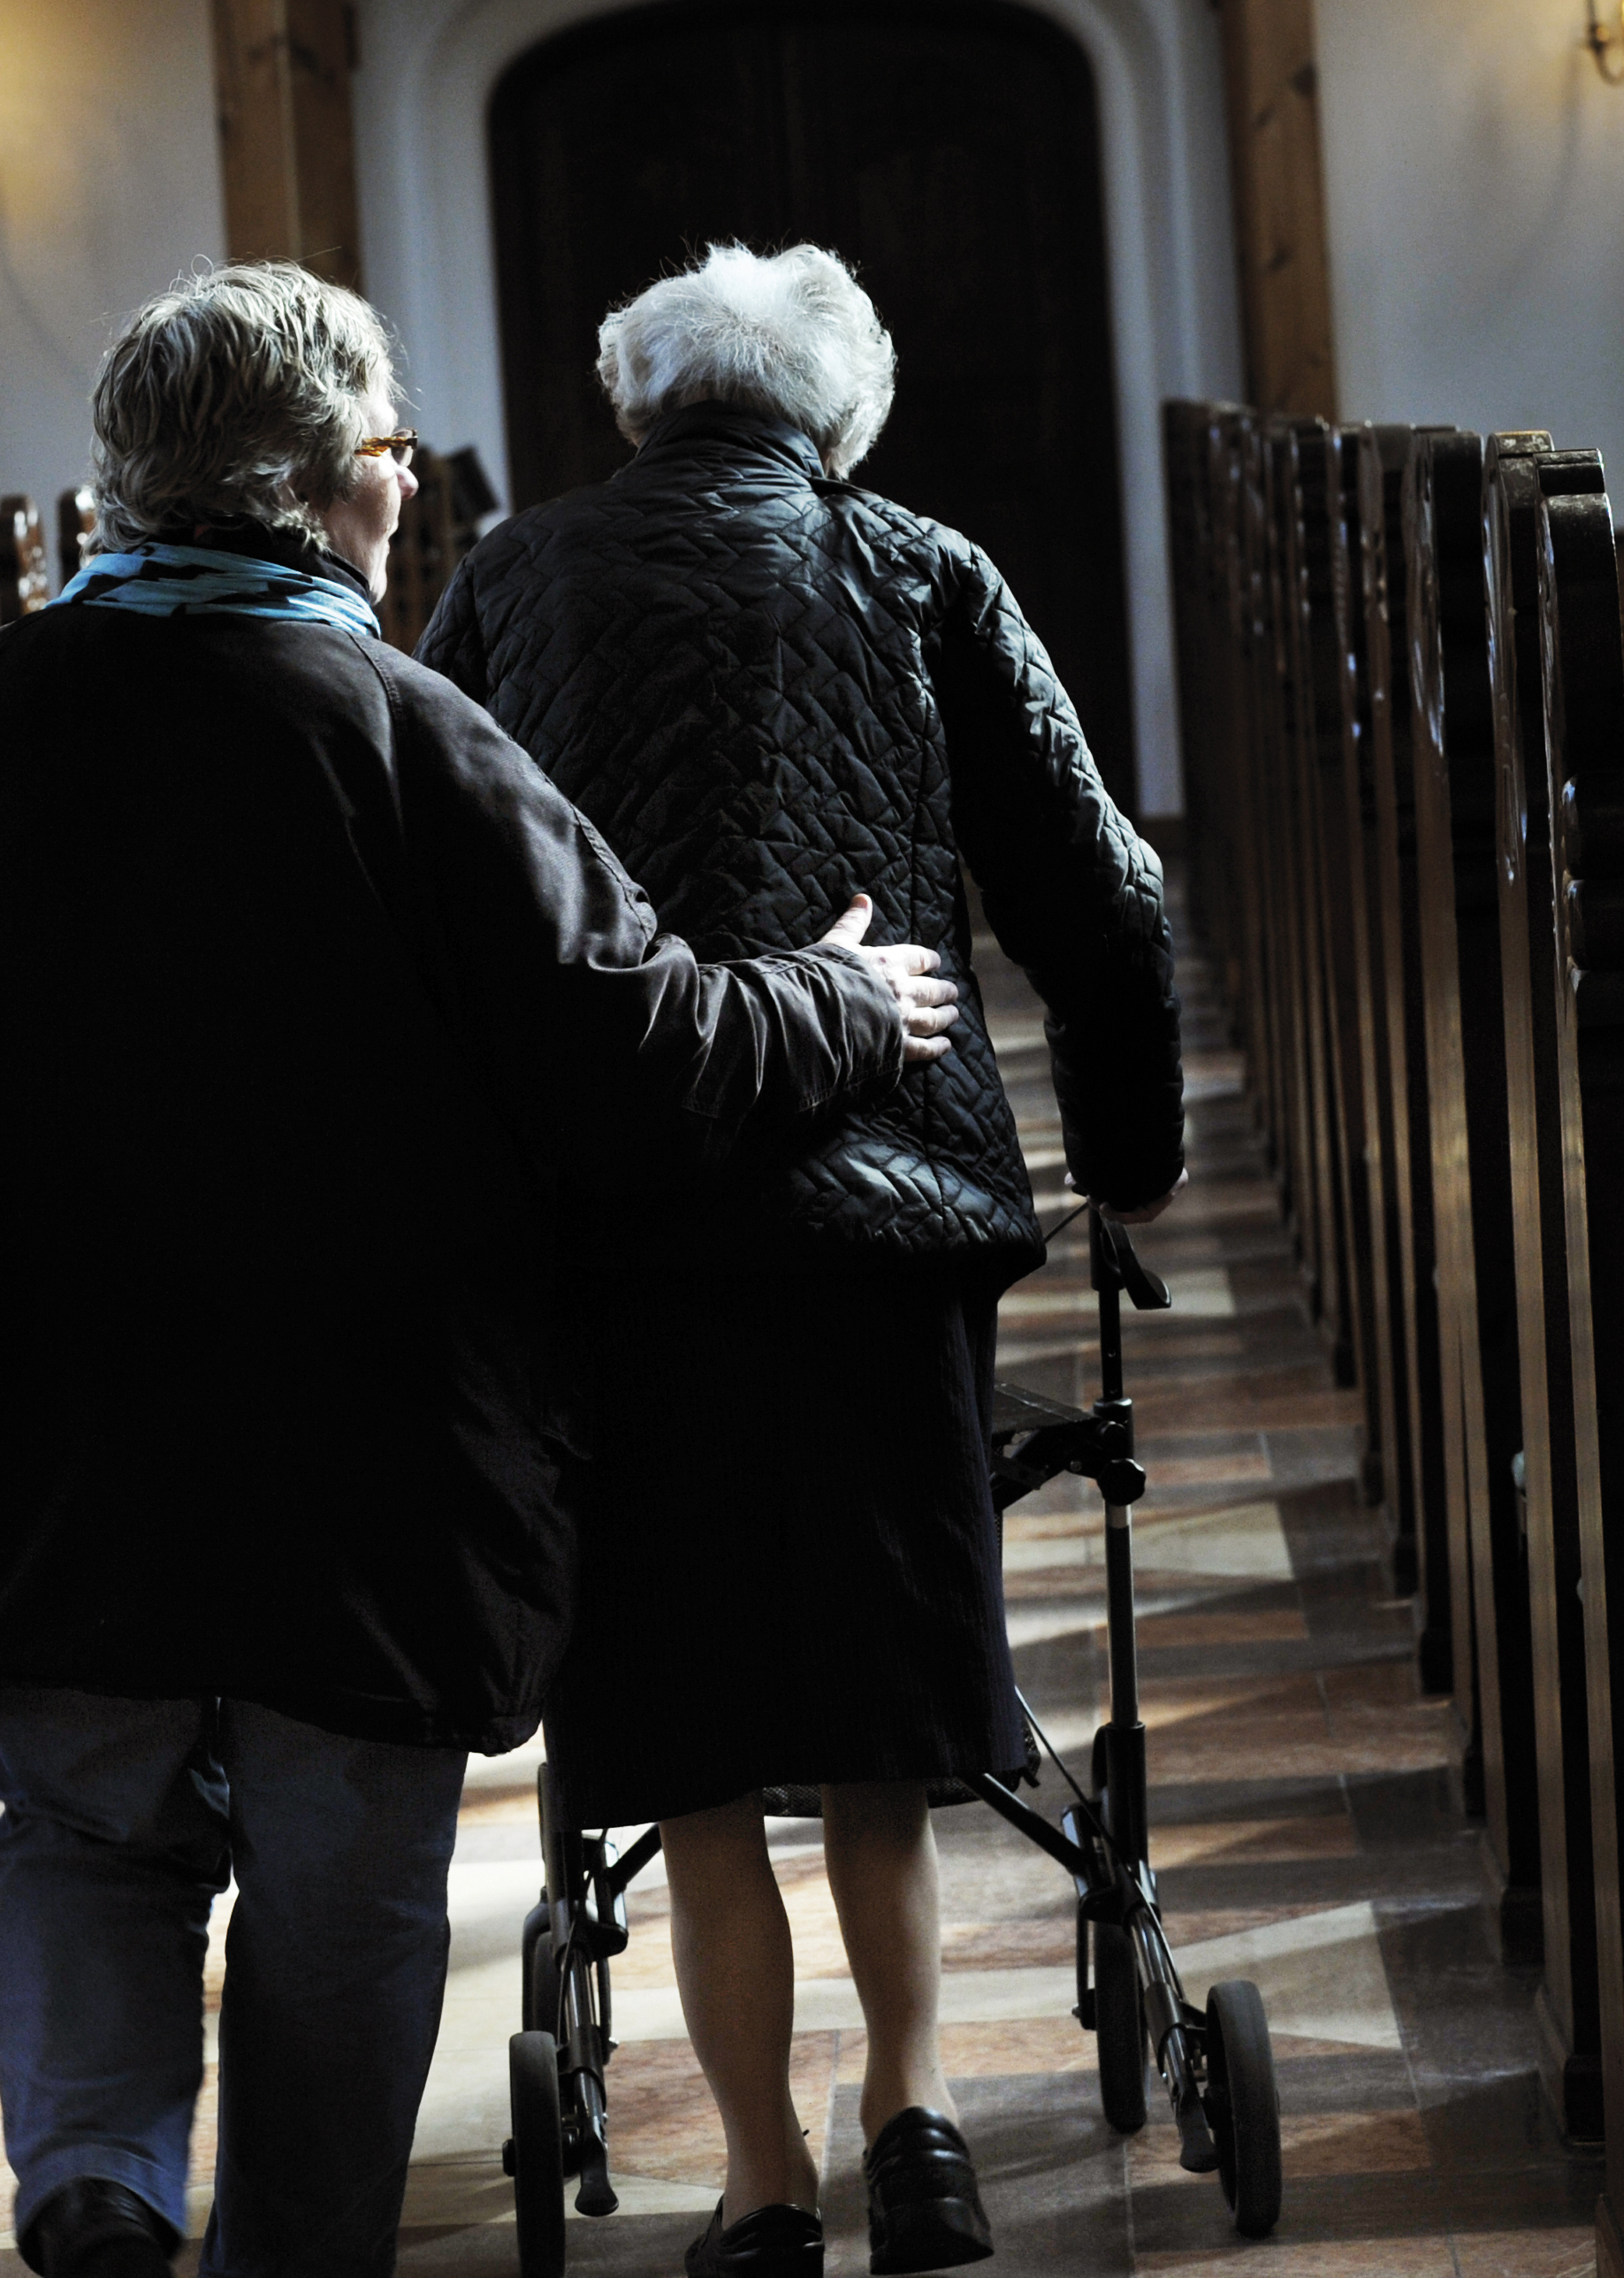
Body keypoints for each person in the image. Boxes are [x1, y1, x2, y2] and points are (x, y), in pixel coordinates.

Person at [0, 261, 963, 2278]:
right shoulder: (396, 726)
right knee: (344, 1891)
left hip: (43, 1443)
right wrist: (832, 1001)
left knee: (88, 1842)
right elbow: (632, 1057)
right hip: (360, 1463)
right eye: (386, 455)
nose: (402, 495)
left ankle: (99, 2183)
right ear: (313, 487)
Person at [418, 241, 1185, 2278]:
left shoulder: (507, 579)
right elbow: (1101, 899)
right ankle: (915, 2120)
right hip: (882, 1235)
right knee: (877, 1723)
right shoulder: (919, 568)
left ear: (638, 403)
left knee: (683, 1755)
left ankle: (760, 2178)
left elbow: (433, 908)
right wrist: (1129, 1159)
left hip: (621, 1239)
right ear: (836, 414)